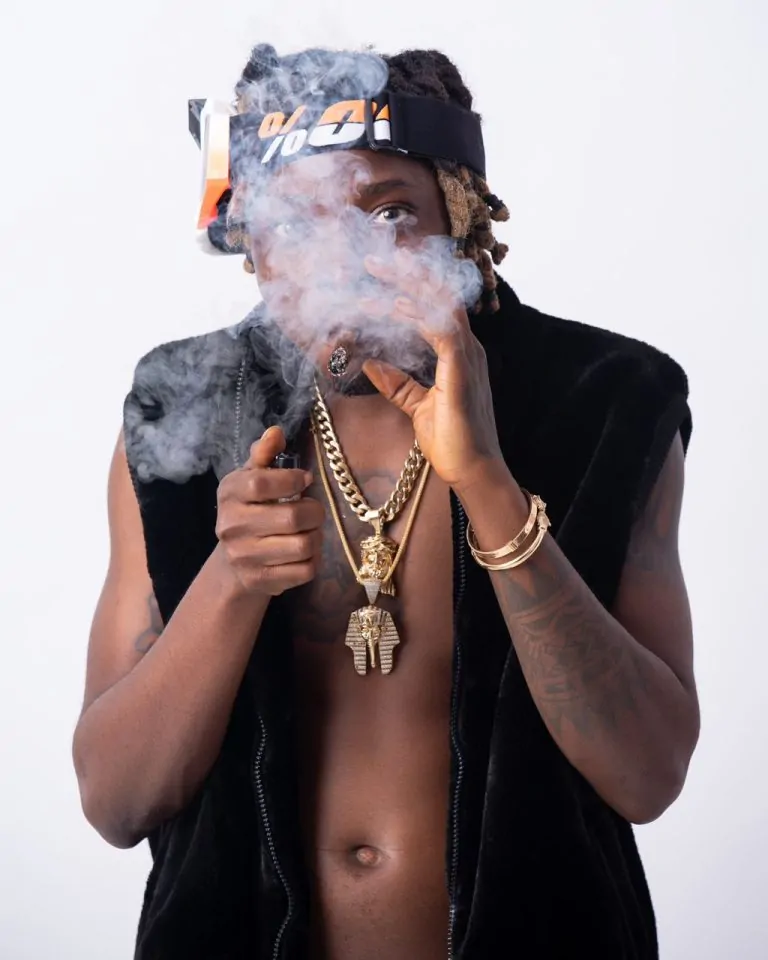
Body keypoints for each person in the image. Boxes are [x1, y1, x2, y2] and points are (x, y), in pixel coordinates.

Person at [72, 45, 699, 960]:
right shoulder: (180, 408)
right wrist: (233, 581)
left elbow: (648, 777)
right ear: (253, 245)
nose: (349, 260)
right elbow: (115, 803)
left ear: (460, 218)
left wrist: (486, 483)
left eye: (390, 212)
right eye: (301, 220)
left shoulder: (608, 400)